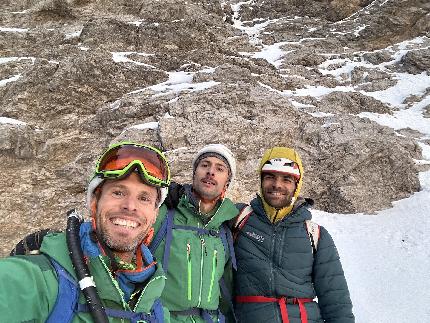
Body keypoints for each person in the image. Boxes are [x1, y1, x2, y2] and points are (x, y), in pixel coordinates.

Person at [0, 141, 172, 322]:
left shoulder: (154, 303)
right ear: (94, 203)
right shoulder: (39, 280)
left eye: (144, 198)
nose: (130, 206)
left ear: (154, 215)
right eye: (118, 192)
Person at [233, 147, 354, 323]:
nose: (277, 185)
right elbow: (202, 207)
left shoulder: (315, 235)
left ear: (297, 185)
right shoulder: (239, 218)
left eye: (286, 179)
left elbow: (336, 302)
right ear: (260, 180)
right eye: (270, 176)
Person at [149, 144, 239, 323]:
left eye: (219, 169)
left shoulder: (224, 230)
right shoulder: (163, 214)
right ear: (194, 173)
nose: (211, 172)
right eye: (205, 165)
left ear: (227, 182)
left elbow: (226, 290)